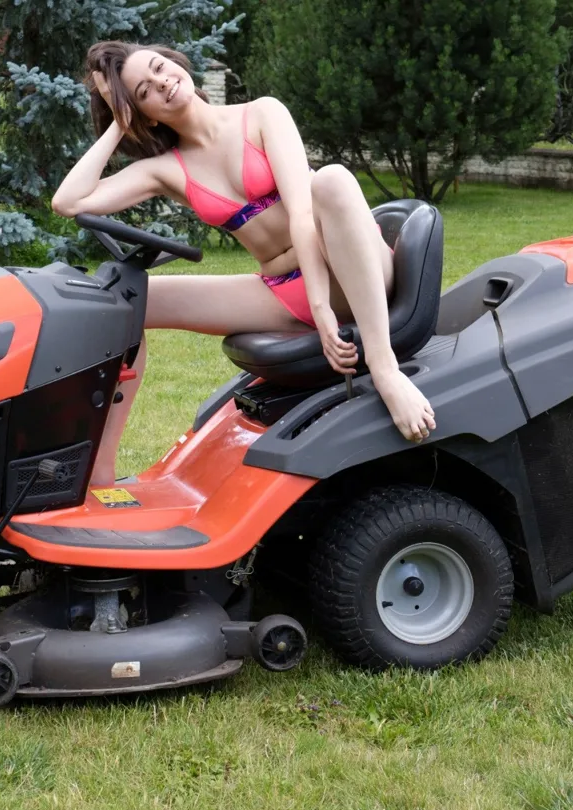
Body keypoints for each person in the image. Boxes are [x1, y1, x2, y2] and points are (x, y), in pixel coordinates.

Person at [51, 40, 436, 486]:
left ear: (176, 63)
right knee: (126, 299)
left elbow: (303, 216)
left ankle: (385, 370)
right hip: (281, 290)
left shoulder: (262, 114)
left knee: (329, 181)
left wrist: (324, 308)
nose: (162, 83)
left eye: (160, 68)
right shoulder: (167, 169)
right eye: (144, 92)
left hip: (353, 273)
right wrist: (118, 122)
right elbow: (69, 201)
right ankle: (99, 473)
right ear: (146, 114)